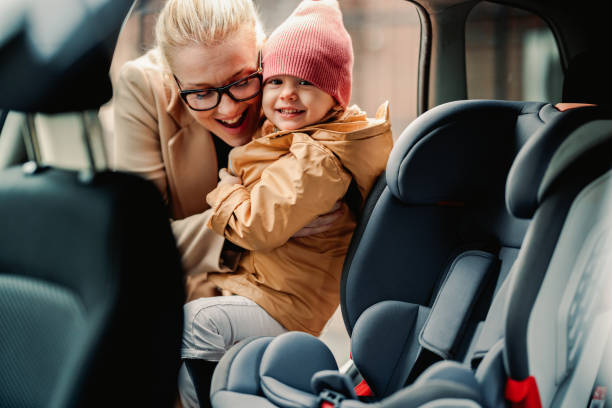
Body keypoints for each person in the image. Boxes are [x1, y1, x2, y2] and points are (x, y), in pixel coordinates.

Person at [111, 0, 343, 406]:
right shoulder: (143, 89)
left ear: (262, 54)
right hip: (177, 313)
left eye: (242, 81)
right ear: (171, 80)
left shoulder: (289, 83)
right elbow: (139, 244)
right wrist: (251, 223)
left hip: (274, 307)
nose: (230, 108)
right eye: (200, 92)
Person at [181, 0, 393, 405]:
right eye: (275, 81)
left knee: (197, 325)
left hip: (284, 306)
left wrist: (227, 188)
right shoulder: (297, 134)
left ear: (335, 95)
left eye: (306, 83)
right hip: (264, 287)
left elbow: (256, 226)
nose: (287, 95)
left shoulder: (320, 160)